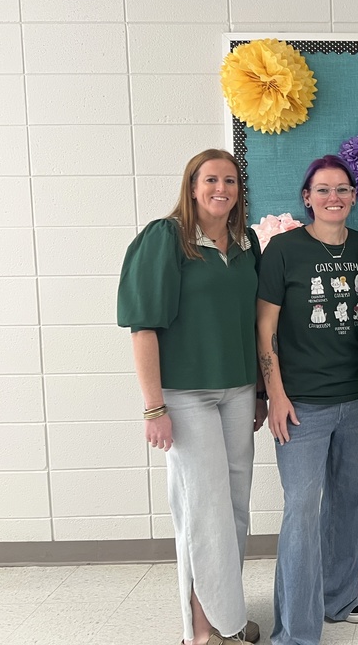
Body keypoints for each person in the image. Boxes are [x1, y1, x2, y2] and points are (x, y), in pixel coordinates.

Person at [117, 149, 265, 645]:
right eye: (210, 180)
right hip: (186, 396)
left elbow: (255, 324)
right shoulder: (166, 239)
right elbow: (143, 328)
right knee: (205, 511)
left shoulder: (247, 245)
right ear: (192, 186)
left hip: (239, 389)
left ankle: (226, 615)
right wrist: (153, 406)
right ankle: (204, 632)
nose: (220, 188)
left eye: (230, 180)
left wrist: (261, 391)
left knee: (235, 507)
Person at [256, 155, 358, 645]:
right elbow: (264, 329)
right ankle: (296, 632)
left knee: (352, 504)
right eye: (323, 190)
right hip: (301, 404)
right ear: (306, 197)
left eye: (343, 189)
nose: (334, 198)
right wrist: (276, 395)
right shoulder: (284, 250)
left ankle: (339, 597)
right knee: (302, 510)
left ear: (353, 196)